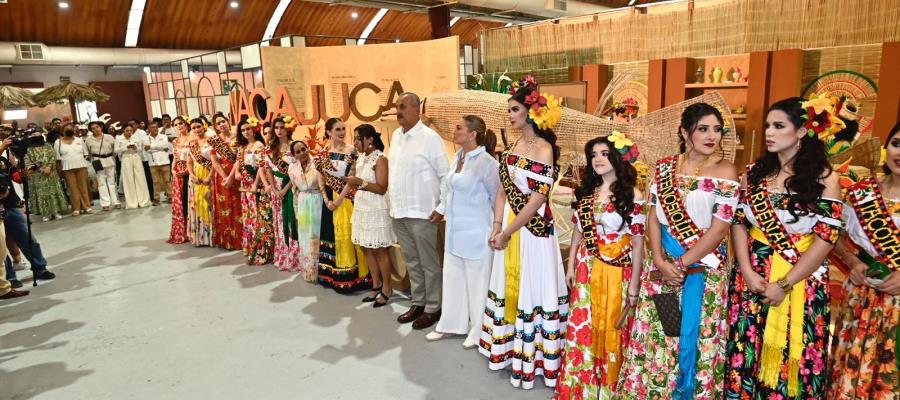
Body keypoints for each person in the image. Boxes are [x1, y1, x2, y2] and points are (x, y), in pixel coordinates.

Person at [616, 103, 738, 399]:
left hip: (702, 273)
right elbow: (653, 216)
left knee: (696, 338)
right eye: (703, 129)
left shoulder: (727, 171)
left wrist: (680, 264)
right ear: (685, 132)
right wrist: (658, 258)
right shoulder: (665, 167)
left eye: (717, 130)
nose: (712, 136)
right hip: (662, 270)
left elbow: (720, 229)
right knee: (661, 335)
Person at [723, 97, 842, 399]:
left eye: (779, 126)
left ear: (802, 131)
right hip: (752, 275)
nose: (769, 133)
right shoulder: (755, 173)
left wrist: (785, 284)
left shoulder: (826, 179)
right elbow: (738, 221)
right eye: (767, 126)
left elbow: (826, 238)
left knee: (794, 350)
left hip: (801, 278)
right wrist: (747, 271)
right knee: (745, 350)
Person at [480, 84, 568, 390]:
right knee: (507, 282)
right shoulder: (511, 147)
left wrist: (506, 231)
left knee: (533, 285)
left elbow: (537, 200)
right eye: (509, 109)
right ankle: (508, 351)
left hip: (531, 231)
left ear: (532, 113)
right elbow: (503, 191)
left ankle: (534, 357)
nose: (510, 115)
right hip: (507, 226)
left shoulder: (544, 149)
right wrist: (495, 225)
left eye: (514, 109)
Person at [555, 134, 645, 399]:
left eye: (604, 153)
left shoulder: (632, 195)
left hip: (618, 272)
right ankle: (582, 386)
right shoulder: (587, 193)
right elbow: (577, 232)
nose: (598, 160)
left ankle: (609, 388)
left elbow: (638, 244)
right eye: (593, 155)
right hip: (586, 268)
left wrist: (636, 284)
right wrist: (571, 266)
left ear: (617, 157)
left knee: (613, 327)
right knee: (585, 323)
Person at [828, 121, 900, 398]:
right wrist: (853, 263)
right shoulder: (861, 193)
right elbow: (833, 235)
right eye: (896, 144)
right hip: (861, 298)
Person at [424, 115, 500, 348]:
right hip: (455, 231)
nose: (453, 131)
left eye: (458, 128)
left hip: (477, 232)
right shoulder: (458, 156)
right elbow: (448, 189)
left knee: (477, 283)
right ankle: (450, 325)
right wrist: (440, 209)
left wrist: (496, 228)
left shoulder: (487, 163)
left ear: (472, 134)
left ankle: (477, 331)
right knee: (453, 278)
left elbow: (497, 196)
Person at [389, 92, 450, 330]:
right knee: (412, 262)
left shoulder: (430, 138)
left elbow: (445, 175)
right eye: (397, 107)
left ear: (416, 109)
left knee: (428, 263)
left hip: (423, 212)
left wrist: (442, 206)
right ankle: (418, 302)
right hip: (400, 212)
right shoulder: (396, 136)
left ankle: (434, 307)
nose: (398, 111)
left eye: (403, 106)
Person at [316, 118, 370, 293]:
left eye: (343, 129)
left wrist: (339, 200)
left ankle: (357, 277)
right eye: (337, 129)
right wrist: (326, 200)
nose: (341, 132)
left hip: (346, 199)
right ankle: (335, 276)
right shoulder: (322, 154)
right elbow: (321, 178)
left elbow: (352, 178)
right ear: (329, 132)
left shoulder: (351, 151)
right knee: (332, 235)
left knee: (349, 234)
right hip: (329, 202)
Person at [347, 124, 396, 307]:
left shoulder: (380, 158)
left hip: (376, 208)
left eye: (358, 139)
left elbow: (382, 188)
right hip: (362, 207)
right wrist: (351, 175)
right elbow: (357, 182)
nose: (355, 143)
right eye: (354, 139)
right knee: (366, 247)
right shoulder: (361, 158)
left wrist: (360, 182)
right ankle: (376, 285)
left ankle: (387, 288)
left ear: (370, 139)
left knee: (380, 250)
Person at [1, 139, 56, 287]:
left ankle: (39, 268)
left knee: (27, 236)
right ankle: (9, 277)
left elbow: (15, 177)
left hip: (11, 203)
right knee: (0, 247)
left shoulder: (3, 159)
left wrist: (25, 173)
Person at [263, 117, 301, 271]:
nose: (279, 131)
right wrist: (273, 188)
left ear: (288, 129)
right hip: (276, 189)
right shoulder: (270, 148)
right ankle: (283, 255)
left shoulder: (295, 146)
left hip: (292, 187)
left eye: (282, 127)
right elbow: (268, 169)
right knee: (279, 221)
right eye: (276, 128)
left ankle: (296, 257)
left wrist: (285, 190)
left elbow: (299, 170)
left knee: (294, 219)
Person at [233, 119, 273, 265]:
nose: (246, 132)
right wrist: (236, 172)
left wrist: (256, 183)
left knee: (258, 216)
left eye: (248, 129)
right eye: (243, 130)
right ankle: (250, 246)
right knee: (248, 216)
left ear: (254, 129)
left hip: (257, 185)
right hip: (245, 186)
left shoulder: (259, 145)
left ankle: (261, 247)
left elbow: (261, 166)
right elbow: (238, 163)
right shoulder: (243, 146)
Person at [288, 140, 323, 281]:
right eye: (298, 151)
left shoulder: (318, 163)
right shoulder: (292, 168)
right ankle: (309, 270)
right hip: (303, 203)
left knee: (317, 234)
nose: (302, 153)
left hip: (317, 200)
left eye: (304, 149)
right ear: (294, 155)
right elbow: (295, 191)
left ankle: (321, 271)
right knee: (305, 236)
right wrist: (296, 212)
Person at [208, 114, 242, 250]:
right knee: (225, 206)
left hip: (237, 174)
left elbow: (240, 158)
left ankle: (240, 239)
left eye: (223, 121)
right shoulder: (214, 141)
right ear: (216, 127)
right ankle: (227, 240)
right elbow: (214, 161)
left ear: (228, 122)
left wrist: (231, 176)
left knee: (238, 205)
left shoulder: (239, 137)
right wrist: (225, 176)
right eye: (218, 123)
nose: (222, 124)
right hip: (221, 177)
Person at [23, 130, 66, 221]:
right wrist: (40, 169)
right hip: (37, 176)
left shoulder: (48, 146)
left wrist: (49, 167)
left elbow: (53, 157)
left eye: (38, 134)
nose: (36, 136)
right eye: (34, 135)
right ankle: (46, 213)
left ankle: (55, 211)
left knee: (53, 192)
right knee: (42, 195)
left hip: (50, 174)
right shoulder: (28, 149)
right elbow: (27, 162)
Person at [54, 122, 93, 215]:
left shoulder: (79, 140)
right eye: (67, 129)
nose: (69, 130)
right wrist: (59, 171)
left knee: (83, 187)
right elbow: (57, 158)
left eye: (71, 129)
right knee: (72, 188)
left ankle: (87, 206)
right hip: (67, 167)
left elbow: (86, 153)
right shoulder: (58, 142)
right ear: (63, 131)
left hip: (81, 165)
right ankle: (76, 208)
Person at [186, 118, 213, 247]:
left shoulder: (212, 140)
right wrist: (191, 174)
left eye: (198, 126)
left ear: (204, 126)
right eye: (194, 128)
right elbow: (189, 162)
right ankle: (201, 238)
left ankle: (212, 237)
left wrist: (210, 176)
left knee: (209, 204)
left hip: (209, 176)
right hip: (196, 177)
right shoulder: (191, 143)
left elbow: (216, 162)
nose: (196, 130)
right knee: (197, 205)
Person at [85, 121, 121, 211]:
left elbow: (114, 150)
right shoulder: (89, 140)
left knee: (112, 182)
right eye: (93, 128)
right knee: (101, 182)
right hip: (97, 161)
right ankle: (105, 203)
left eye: (97, 127)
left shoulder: (109, 137)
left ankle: (115, 201)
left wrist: (111, 157)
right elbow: (88, 153)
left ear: (100, 127)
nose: (95, 129)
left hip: (109, 159)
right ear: (91, 130)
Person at [167, 116, 191, 244]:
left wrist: (187, 171)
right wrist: (173, 170)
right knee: (180, 203)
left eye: (180, 123)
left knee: (190, 201)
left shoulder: (193, 138)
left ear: (186, 123)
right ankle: (183, 230)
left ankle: (193, 231)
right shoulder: (175, 141)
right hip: (178, 173)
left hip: (191, 172)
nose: (179, 126)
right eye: (175, 125)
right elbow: (175, 158)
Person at [116, 125, 151, 209]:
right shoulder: (119, 138)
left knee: (140, 179)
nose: (129, 132)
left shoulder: (135, 137)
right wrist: (125, 147)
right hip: (126, 158)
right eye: (127, 130)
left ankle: (143, 201)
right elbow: (116, 150)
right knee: (129, 180)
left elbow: (140, 149)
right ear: (123, 130)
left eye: (130, 130)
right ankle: (132, 203)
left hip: (136, 157)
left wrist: (135, 147)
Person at [129, 119, 155, 202]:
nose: (131, 126)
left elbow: (146, 145)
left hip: (144, 159)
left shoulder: (142, 133)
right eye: (129, 125)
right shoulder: (128, 133)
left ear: (137, 125)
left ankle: (151, 196)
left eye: (133, 124)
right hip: (133, 159)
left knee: (148, 179)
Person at [147, 120, 172, 205]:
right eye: (152, 127)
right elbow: (147, 149)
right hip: (153, 163)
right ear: (149, 129)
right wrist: (159, 147)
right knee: (155, 182)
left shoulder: (163, 136)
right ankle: (156, 199)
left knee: (167, 181)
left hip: (164, 161)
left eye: (156, 127)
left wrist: (151, 147)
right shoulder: (146, 138)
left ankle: (170, 196)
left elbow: (165, 146)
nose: (155, 129)